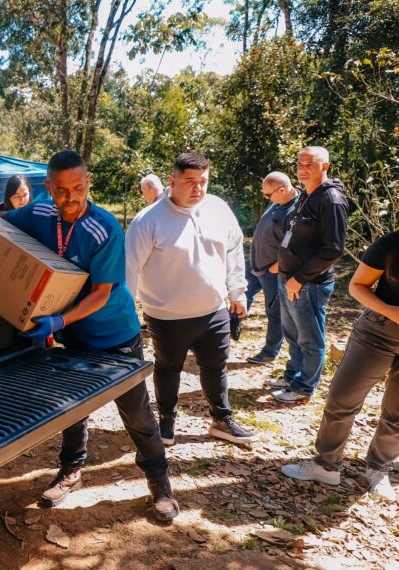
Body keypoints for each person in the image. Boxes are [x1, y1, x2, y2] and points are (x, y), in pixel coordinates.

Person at [6, 150, 178, 521]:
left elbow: (101, 293)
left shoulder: (103, 227)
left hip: (115, 338)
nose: (70, 197)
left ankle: (159, 483)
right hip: (74, 339)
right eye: (61, 190)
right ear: (48, 188)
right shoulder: (38, 213)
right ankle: (71, 472)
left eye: (78, 188)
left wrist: (56, 322)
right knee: (72, 412)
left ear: (88, 183)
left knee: (137, 416)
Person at [126, 152, 258, 446]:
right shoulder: (147, 221)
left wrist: (238, 291)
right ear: (172, 182)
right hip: (167, 316)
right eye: (190, 181)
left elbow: (235, 249)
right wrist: (126, 316)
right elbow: (129, 269)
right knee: (168, 368)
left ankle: (222, 419)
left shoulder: (219, 209)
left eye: (203, 181)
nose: (198, 188)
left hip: (214, 311)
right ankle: (167, 421)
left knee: (216, 366)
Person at [281, 230, 398, 500]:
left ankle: (379, 470)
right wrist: (390, 311)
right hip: (378, 331)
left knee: (397, 412)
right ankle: (326, 465)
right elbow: (357, 286)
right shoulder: (391, 243)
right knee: (342, 398)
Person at [271, 146, 349, 403]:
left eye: (309, 164)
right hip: (288, 279)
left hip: (309, 284)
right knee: (292, 334)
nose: (302, 169)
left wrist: (299, 279)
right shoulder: (307, 194)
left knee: (310, 339)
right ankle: (293, 374)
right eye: (299, 164)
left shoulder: (331, 200)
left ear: (324, 166)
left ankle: (304, 388)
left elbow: (333, 249)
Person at [246, 172, 300, 365]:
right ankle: (225, 336)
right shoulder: (277, 201)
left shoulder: (296, 209)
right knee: (240, 296)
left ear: (283, 190)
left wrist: (275, 268)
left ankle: (269, 352)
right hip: (255, 267)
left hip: (272, 272)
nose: (267, 198)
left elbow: (293, 244)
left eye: (269, 195)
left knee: (274, 313)